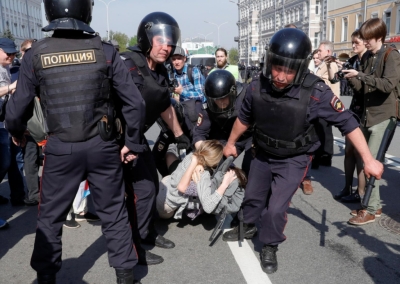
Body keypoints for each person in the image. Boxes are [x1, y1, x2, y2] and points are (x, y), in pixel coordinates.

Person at [221, 28, 384, 275]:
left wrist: (368, 159)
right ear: (269, 62)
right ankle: (249, 225)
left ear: (300, 68)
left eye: (289, 70)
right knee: (253, 197)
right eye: (277, 67)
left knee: (276, 208)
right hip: (262, 153)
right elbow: (243, 118)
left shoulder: (316, 92)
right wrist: (231, 143)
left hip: (294, 159)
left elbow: (348, 122)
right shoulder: (256, 87)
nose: (282, 76)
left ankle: (270, 244)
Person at [5, 1, 144, 283]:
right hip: (103, 147)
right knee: (114, 214)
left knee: (50, 218)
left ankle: (46, 277)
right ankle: (125, 275)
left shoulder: (36, 54)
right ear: (85, 9)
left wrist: (16, 131)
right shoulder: (104, 51)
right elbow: (135, 102)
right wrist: (132, 142)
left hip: (60, 149)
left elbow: (16, 108)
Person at [120, 12, 191, 266]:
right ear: (146, 38)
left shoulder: (161, 71)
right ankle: (135, 246)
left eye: (170, 42)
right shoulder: (126, 63)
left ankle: (147, 233)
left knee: (152, 183)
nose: (166, 47)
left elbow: (164, 105)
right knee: (141, 192)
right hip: (119, 142)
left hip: (137, 139)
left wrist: (181, 135)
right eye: (160, 40)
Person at [343, 18, 400, 225]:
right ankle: (372, 207)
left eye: (368, 39)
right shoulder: (367, 56)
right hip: (368, 116)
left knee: (371, 162)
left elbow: (387, 85)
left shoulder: (391, 55)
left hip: (384, 116)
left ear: (379, 37)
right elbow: (363, 89)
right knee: (366, 160)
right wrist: (351, 77)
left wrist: (361, 75)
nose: (365, 42)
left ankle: (371, 208)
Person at [156, 140, 245, 220]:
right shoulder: (203, 175)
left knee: (172, 159)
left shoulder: (192, 155)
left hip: (164, 184)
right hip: (164, 205)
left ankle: (170, 149)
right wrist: (224, 184)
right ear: (215, 161)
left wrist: (196, 163)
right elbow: (208, 207)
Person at [193, 70, 253, 176]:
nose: (221, 103)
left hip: (250, 134)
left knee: (251, 168)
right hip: (225, 136)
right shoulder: (208, 106)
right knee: (216, 168)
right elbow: (199, 134)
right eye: (217, 100)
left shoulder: (247, 95)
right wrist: (207, 154)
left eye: (224, 98)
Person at [334, 30, 369, 203]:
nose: (353, 45)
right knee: (348, 150)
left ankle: (360, 191)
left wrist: (352, 76)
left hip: (366, 111)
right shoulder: (352, 61)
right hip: (353, 109)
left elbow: (362, 89)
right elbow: (335, 79)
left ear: (365, 42)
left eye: (357, 42)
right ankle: (347, 187)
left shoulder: (369, 60)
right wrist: (340, 71)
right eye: (353, 42)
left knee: (360, 153)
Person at [0, 37, 26, 207]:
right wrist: (10, 87)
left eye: (13, 53)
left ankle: (18, 197)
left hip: (7, 119)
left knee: (16, 159)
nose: (10, 56)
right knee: (4, 161)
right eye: (7, 53)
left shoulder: (8, 67)